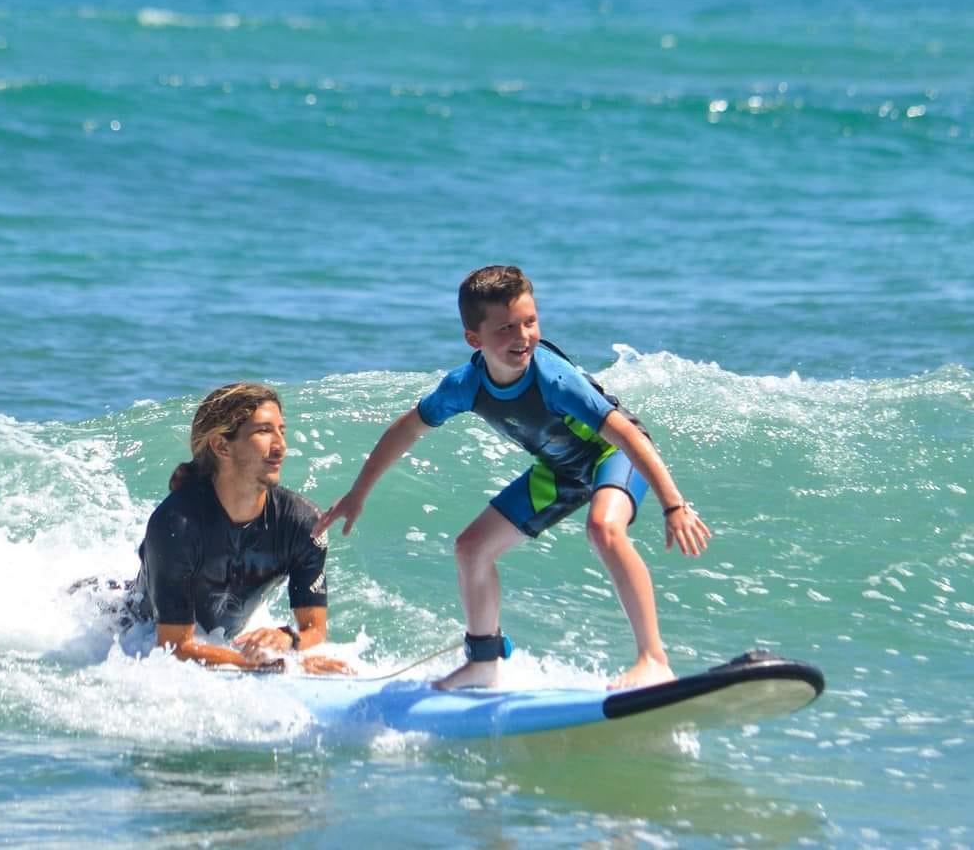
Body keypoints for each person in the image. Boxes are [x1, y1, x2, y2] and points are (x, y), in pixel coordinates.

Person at [314, 265, 710, 690]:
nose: (522, 336)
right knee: (471, 548)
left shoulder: (555, 380)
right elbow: (407, 428)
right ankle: (484, 661)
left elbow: (628, 435)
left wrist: (674, 504)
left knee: (603, 528)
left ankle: (653, 659)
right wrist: (358, 494)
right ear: (474, 339)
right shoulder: (465, 386)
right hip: (559, 471)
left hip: (611, 456)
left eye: (530, 322)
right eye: (505, 328)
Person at [133, 382, 350, 675]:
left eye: (281, 431)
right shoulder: (177, 525)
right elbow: (173, 648)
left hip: (213, 642)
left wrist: (288, 639)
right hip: (132, 633)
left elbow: (314, 630)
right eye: (263, 431)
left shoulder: (302, 525)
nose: (280, 446)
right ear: (221, 445)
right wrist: (269, 665)